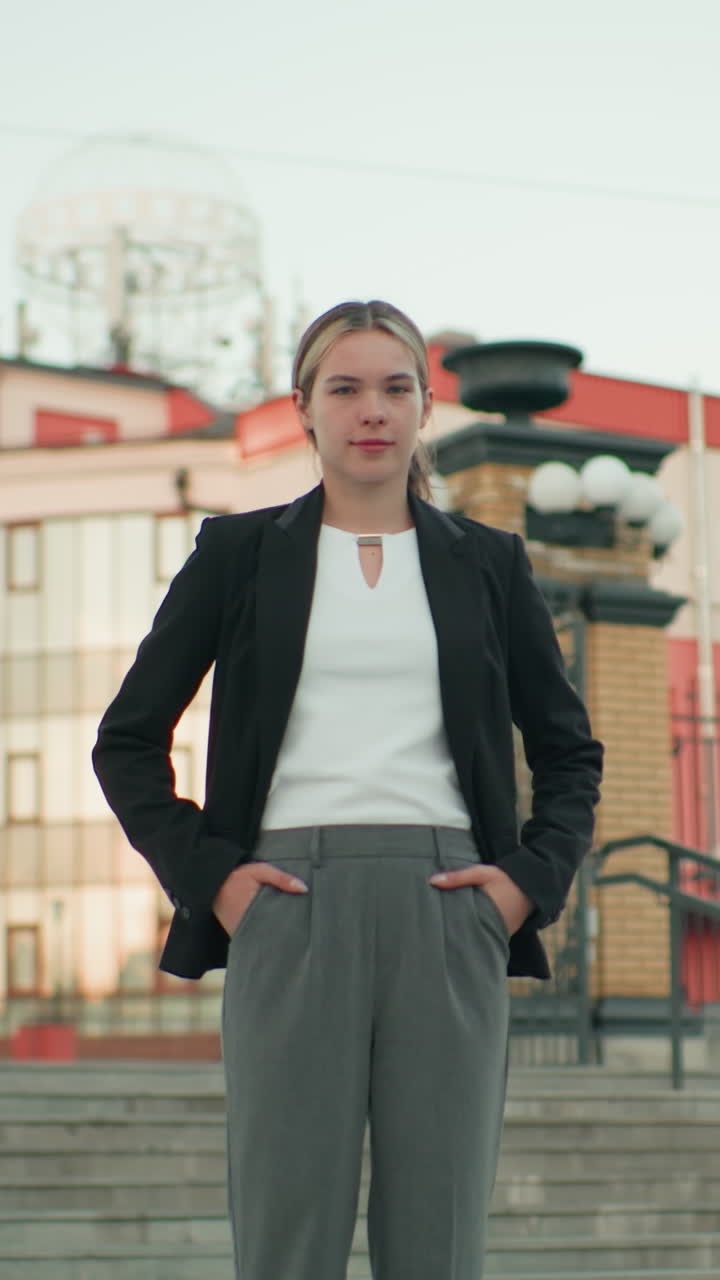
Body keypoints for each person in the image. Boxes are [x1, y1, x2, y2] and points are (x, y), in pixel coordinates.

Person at [92, 298, 603, 1280]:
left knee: (438, 1239)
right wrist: (218, 879)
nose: (373, 409)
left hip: (451, 905)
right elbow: (126, 740)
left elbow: (569, 750)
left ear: (423, 410)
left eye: (396, 387)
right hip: (288, 904)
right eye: (347, 387)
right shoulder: (239, 555)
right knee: (287, 1235)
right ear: (305, 410)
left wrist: (521, 884)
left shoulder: (486, 563)